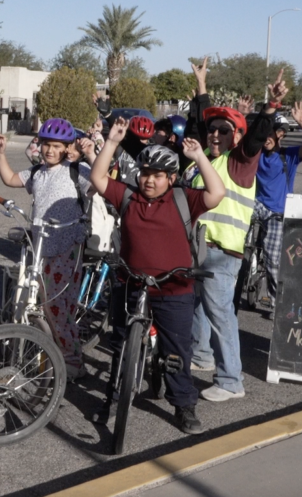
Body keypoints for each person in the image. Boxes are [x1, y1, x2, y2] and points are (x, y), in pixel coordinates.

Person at [90, 117, 225, 434]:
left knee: (176, 351)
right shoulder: (127, 196)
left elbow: (216, 193)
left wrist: (200, 157)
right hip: (130, 283)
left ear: (171, 178)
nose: (149, 180)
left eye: (157, 175)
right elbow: (97, 178)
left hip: (174, 287)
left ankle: (183, 405)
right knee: (121, 346)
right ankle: (113, 399)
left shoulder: (182, 199)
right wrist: (111, 142)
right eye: (145, 173)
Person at [184, 59, 284, 402]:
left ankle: (230, 381)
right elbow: (199, 124)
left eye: (224, 130)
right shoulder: (206, 163)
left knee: (220, 314)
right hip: (198, 249)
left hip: (221, 253)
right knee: (200, 307)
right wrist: (202, 86)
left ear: (237, 137)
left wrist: (269, 108)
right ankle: (201, 357)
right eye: (213, 130)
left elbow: (256, 138)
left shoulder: (239, 162)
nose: (214, 134)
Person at [0, 118, 90, 379]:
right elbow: (11, 179)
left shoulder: (77, 171)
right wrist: (0, 154)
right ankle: (46, 350)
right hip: (40, 247)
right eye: (46, 145)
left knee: (58, 308)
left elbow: (100, 184)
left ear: (67, 148)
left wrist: (91, 153)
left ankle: (72, 362)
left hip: (65, 246)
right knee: (36, 302)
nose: (49, 150)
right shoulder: (37, 172)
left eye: (56, 146)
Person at [249, 100, 302, 310]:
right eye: (264, 134)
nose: (266, 139)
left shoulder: (289, 155)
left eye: (271, 134)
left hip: (279, 211)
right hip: (256, 204)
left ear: (280, 134)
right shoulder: (255, 154)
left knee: (273, 260)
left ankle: (278, 304)